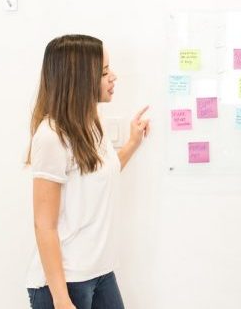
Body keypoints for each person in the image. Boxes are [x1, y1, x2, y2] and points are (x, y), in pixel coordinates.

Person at [25, 34, 150, 309]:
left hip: (101, 273)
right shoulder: (51, 136)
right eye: (105, 71)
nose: (113, 77)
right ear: (79, 78)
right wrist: (61, 299)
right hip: (66, 281)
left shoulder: (93, 123)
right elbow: (44, 226)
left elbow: (104, 171)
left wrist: (132, 143)